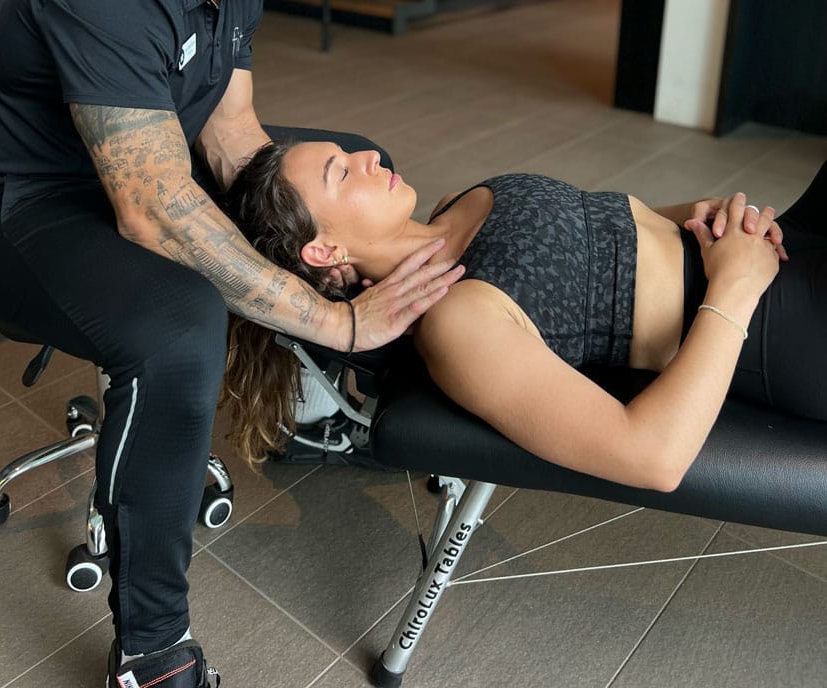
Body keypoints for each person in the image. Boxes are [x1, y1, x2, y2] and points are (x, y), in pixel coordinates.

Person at [0, 0, 461, 688]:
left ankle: (368, 390)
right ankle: (152, 653)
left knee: (350, 160)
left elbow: (231, 140)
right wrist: (331, 314)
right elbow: (157, 211)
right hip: (9, 214)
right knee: (180, 323)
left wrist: (323, 231)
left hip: (123, 187)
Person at [224, 139, 827, 491]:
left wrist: (700, 216)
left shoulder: (455, 204)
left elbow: (606, 226)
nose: (366, 156)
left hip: (764, 249)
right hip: (774, 326)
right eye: (341, 172)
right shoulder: (457, 322)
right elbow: (654, 457)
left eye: (348, 152)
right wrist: (735, 283)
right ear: (325, 252)